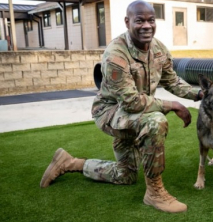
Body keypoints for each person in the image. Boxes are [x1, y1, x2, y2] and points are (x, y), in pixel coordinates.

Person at [40, 0, 202, 213]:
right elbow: (131, 102)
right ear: (127, 22)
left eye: (151, 20)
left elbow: (171, 81)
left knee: (125, 176)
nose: (146, 25)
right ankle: (154, 193)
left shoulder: (159, 49)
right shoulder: (116, 54)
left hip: (135, 115)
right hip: (110, 113)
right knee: (155, 122)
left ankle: (70, 163)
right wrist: (172, 105)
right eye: (139, 20)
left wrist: (200, 93)